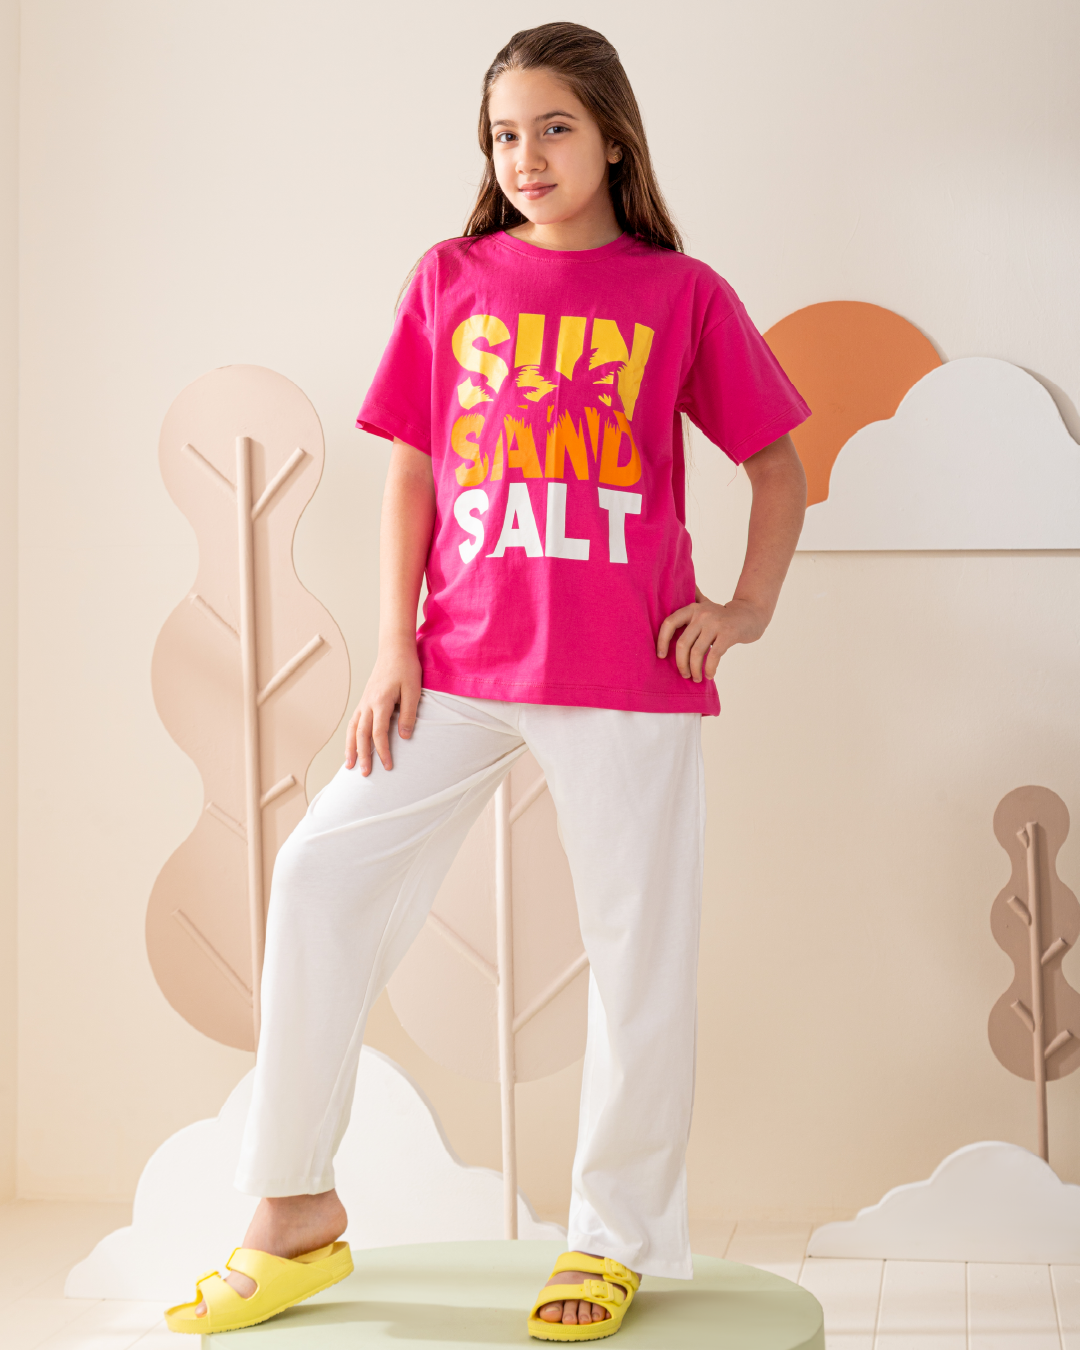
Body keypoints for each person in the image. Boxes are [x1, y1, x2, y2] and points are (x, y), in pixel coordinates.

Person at [165, 20, 809, 1342]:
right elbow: (411, 467)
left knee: (637, 955)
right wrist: (393, 642)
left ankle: (610, 1239)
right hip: (459, 662)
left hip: (628, 673)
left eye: (554, 128)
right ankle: (293, 1210)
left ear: (614, 137)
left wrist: (744, 608)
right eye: (505, 134)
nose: (526, 156)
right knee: (320, 871)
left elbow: (777, 465)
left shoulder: (681, 294)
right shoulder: (451, 278)